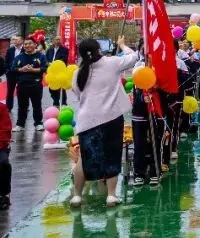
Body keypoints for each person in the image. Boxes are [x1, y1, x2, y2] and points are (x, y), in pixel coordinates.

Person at [69, 36, 138, 208]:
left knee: (84, 159)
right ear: (99, 49)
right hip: (111, 118)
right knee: (112, 156)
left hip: (87, 120)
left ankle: (77, 196)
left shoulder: (78, 72)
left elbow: (77, 94)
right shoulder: (112, 63)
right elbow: (134, 57)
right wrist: (122, 45)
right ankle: (111, 195)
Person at [11, 37, 45, 132]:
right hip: (22, 85)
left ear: (35, 44)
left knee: (37, 105)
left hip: (36, 84)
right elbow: (13, 69)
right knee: (22, 106)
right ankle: (20, 124)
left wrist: (33, 70)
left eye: (30, 43)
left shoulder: (41, 56)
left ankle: (38, 123)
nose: (27, 46)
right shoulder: (19, 57)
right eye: (25, 44)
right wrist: (21, 69)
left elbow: (44, 68)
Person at [43, 37, 70, 107]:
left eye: (59, 39)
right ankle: (56, 101)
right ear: (53, 40)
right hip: (51, 71)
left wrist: (54, 63)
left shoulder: (65, 49)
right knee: (52, 88)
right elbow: (46, 59)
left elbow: (64, 59)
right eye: (56, 39)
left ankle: (64, 102)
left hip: (60, 70)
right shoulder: (49, 50)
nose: (58, 41)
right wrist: (48, 63)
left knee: (61, 87)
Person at [4, 36, 22, 112]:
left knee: (22, 91)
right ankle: (8, 107)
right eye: (13, 39)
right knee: (10, 91)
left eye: (16, 39)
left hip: (21, 73)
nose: (14, 41)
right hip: (11, 74)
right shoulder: (10, 50)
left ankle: (22, 106)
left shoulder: (25, 50)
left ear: (21, 40)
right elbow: (6, 62)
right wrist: (8, 70)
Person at [0, 98, 9, 210]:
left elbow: (5, 130)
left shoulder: (2, 108)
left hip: (1, 145)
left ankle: (4, 194)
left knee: (4, 163)